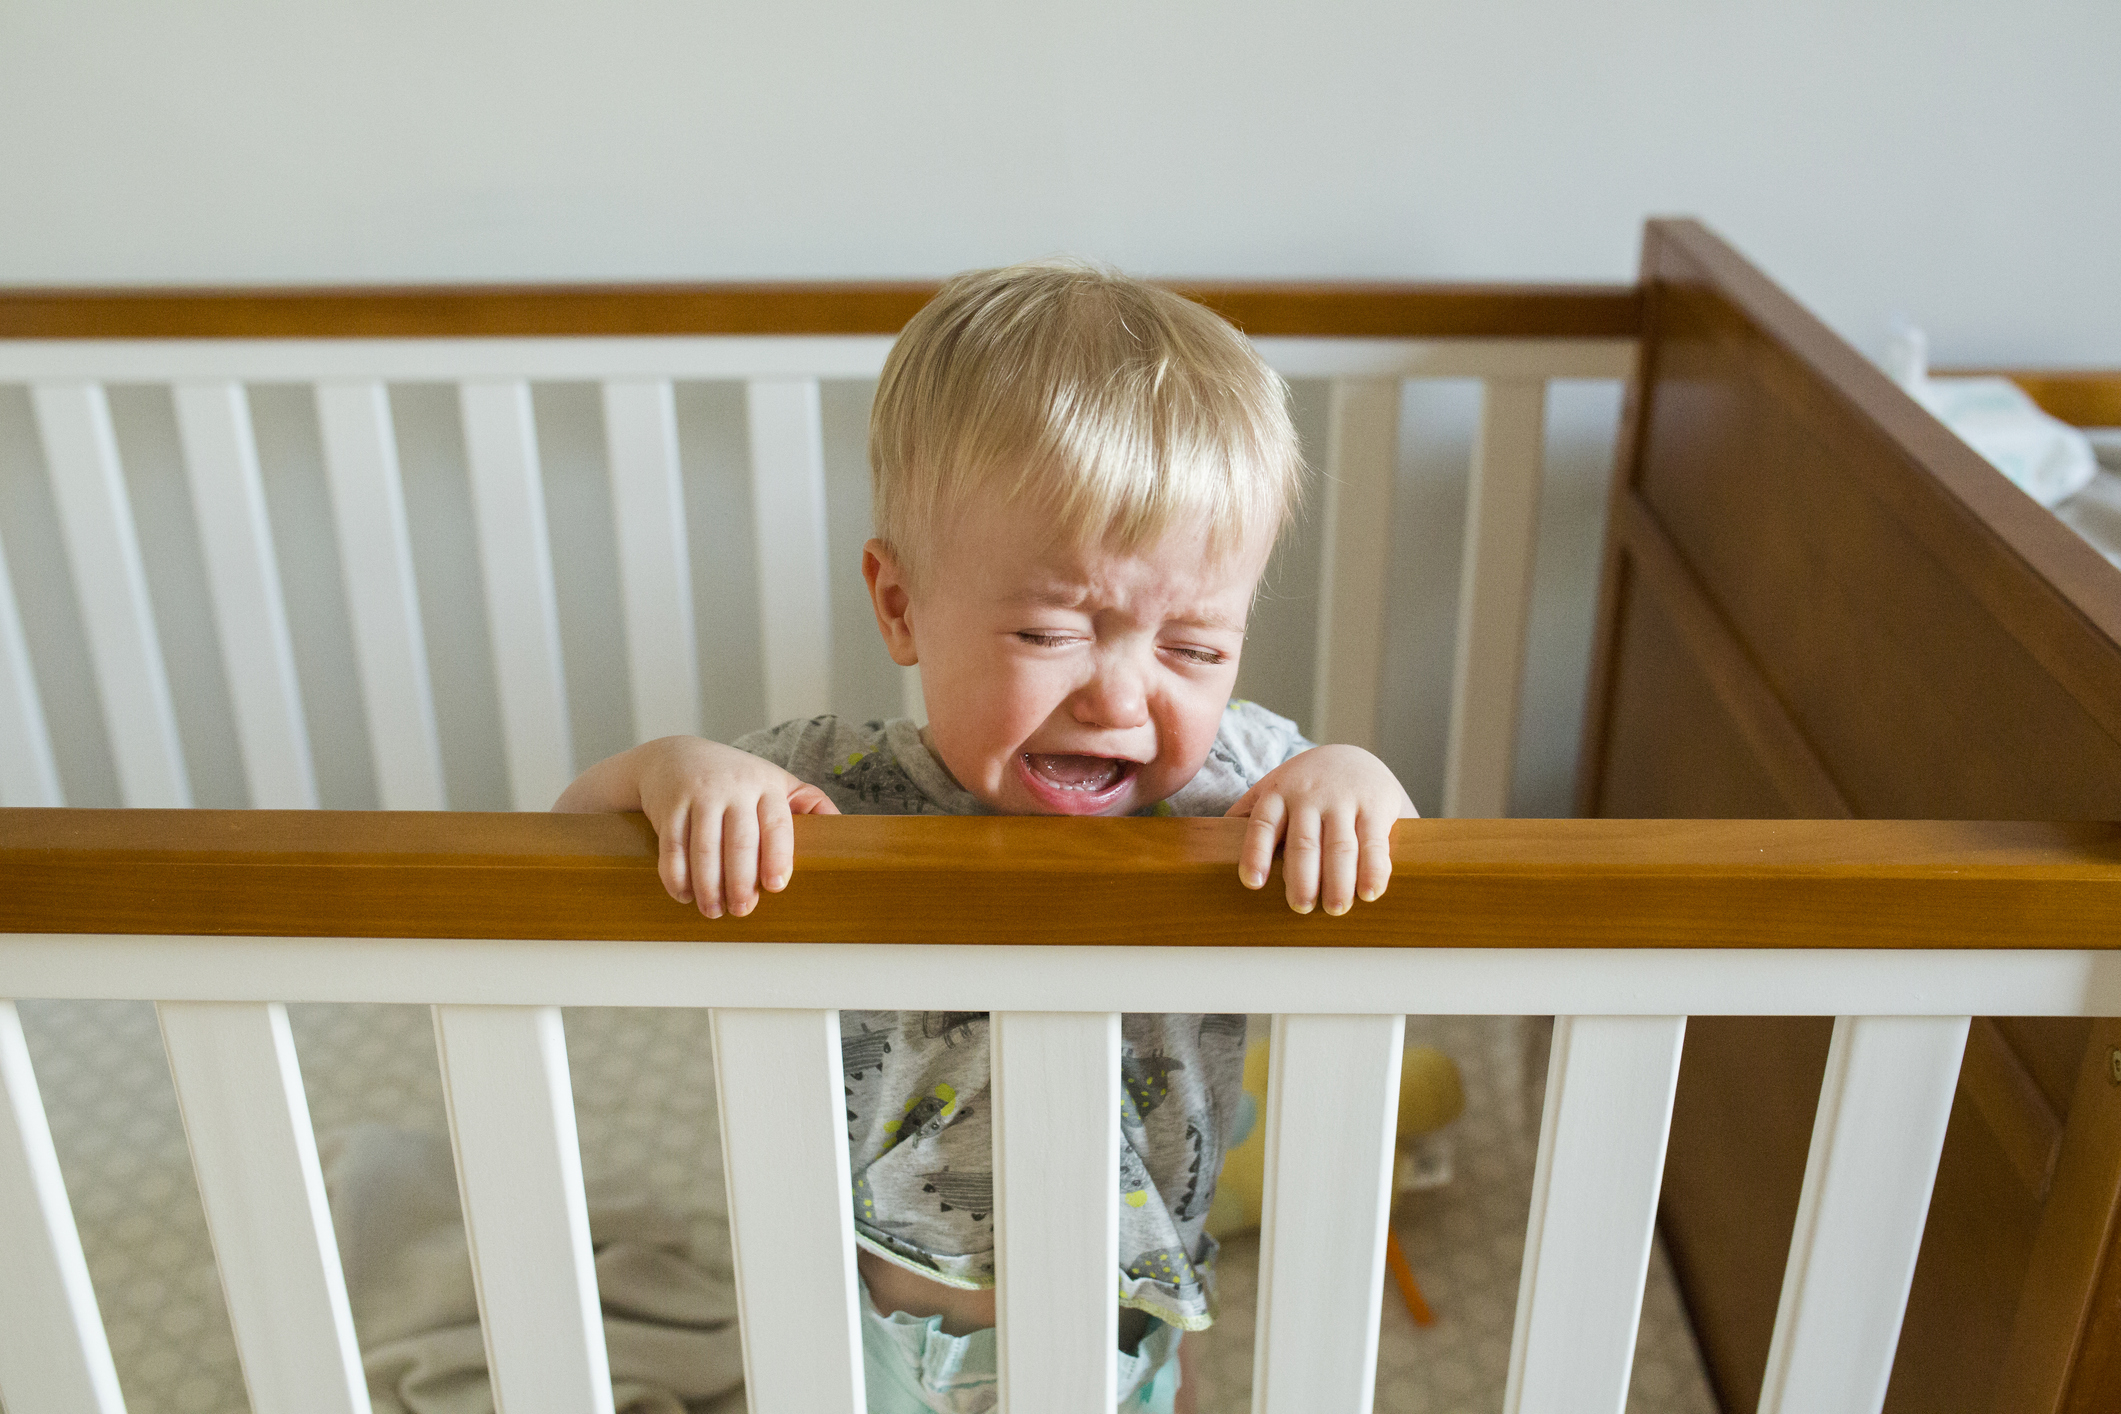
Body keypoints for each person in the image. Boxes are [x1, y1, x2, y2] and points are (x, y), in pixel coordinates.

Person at [555, 260, 1417, 1414]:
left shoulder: (1236, 789)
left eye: (1195, 650)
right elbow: (567, 837)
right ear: (900, 604)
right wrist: (675, 769)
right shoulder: (831, 789)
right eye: (1053, 630)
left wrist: (1357, 778)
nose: (1120, 698)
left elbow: (1401, 852)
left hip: (1138, 1320)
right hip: (886, 1321)